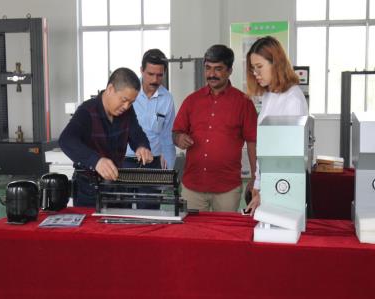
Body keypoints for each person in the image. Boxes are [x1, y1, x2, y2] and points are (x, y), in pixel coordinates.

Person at [172, 44, 258, 212]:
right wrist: (179, 138)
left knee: (224, 235)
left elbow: (253, 142)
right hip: (193, 186)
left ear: (230, 70)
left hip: (227, 188)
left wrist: (255, 177)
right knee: (192, 236)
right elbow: (175, 132)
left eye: (218, 69)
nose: (211, 74)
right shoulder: (192, 101)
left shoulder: (243, 103)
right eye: (208, 68)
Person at [59, 67, 153, 207]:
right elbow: (66, 140)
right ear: (110, 89)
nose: (126, 106)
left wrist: (142, 146)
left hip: (118, 187)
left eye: (131, 103)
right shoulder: (87, 111)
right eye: (124, 100)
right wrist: (96, 161)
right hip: (89, 190)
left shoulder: (127, 111)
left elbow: (136, 134)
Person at [244, 36, 309, 215]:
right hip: (270, 181)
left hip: (284, 183)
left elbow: (288, 157)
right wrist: (258, 184)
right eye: (252, 68)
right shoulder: (269, 96)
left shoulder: (292, 99)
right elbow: (264, 148)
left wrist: (266, 190)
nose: (255, 73)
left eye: (259, 67)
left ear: (276, 64)